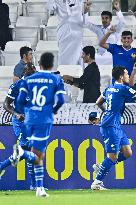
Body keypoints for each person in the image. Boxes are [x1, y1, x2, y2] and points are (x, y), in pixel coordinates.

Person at [16, 52, 65, 197]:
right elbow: (61, 100)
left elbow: (19, 101)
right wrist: (53, 110)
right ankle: (21, 154)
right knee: (39, 154)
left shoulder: (28, 80)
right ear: (52, 65)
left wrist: (27, 110)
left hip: (29, 120)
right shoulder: (55, 79)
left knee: (36, 152)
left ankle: (39, 188)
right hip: (44, 120)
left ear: (40, 64)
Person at [0, 63, 38, 191]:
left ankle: (33, 185)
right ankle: (34, 184)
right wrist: (16, 114)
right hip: (20, 123)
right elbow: (6, 104)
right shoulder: (16, 86)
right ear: (25, 72)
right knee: (27, 151)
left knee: (26, 152)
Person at [47, 0, 91, 65]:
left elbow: (85, 23)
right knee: (64, 61)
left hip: (77, 35)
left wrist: (85, 12)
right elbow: (50, 7)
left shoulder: (81, 1)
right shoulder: (58, 1)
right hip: (63, 34)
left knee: (78, 60)